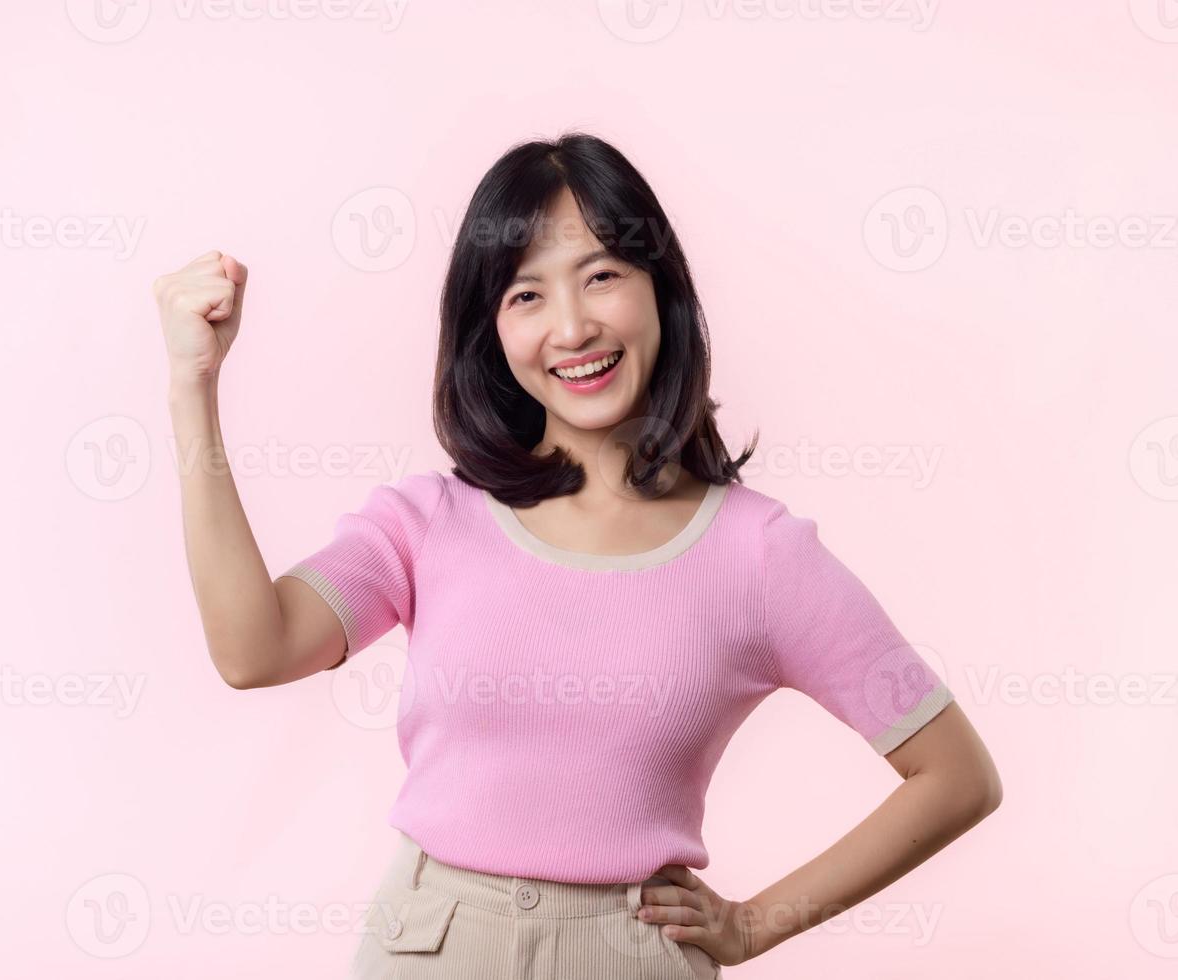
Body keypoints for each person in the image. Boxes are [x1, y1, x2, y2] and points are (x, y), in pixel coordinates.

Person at [151, 132, 1002, 979]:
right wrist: (195, 389)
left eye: (602, 275)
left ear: (660, 290)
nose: (571, 326)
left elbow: (956, 775)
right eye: (526, 294)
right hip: (429, 950)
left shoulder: (760, 556)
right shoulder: (427, 523)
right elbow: (252, 649)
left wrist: (754, 925)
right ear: (491, 330)